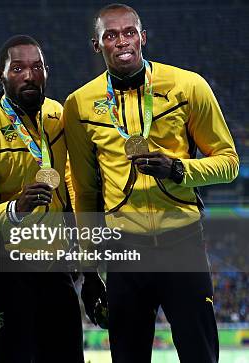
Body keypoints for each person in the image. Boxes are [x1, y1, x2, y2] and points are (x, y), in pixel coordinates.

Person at [64, 4, 239, 363]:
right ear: (97, 45)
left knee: (201, 356)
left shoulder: (188, 86)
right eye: (110, 35)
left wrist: (177, 169)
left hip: (183, 244)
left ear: (143, 37)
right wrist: (91, 271)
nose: (122, 41)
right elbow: (84, 192)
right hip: (123, 252)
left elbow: (229, 163)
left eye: (129, 32)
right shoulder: (79, 105)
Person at [0, 35, 105, 363]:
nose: (28, 75)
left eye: (36, 67)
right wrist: (13, 210)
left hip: (56, 267)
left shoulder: (58, 116)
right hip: (4, 271)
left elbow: (71, 188)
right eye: (18, 68)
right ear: (0, 75)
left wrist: (90, 270)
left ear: (46, 72)